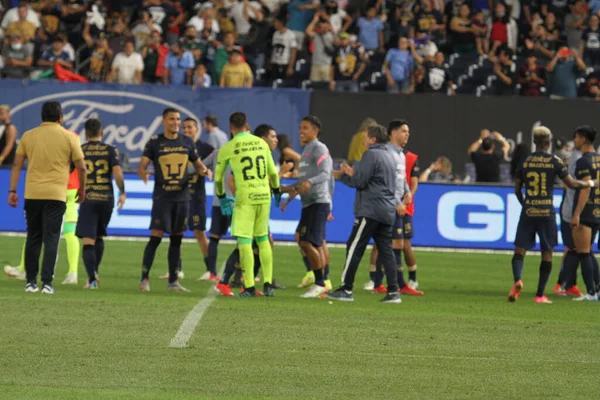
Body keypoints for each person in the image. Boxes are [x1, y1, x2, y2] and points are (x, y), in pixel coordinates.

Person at [7, 101, 86, 294]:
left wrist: (12, 190)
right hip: (56, 195)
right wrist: (82, 190)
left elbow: (17, 165)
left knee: (33, 237)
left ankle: (30, 282)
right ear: (61, 117)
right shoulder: (70, 137)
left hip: (33, 194)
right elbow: (82, 167)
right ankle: (47, 284)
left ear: (42, 116)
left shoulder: (28, 136)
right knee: (51, 238)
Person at [510, 126, 593, 304]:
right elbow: (572, 184)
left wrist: (525, 203)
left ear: (534, 142)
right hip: (546, 212)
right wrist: (590, 183)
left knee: (520, 250)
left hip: (528, 210)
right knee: (547, 252)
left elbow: (517, 189)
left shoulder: (525, 161)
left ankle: (518, 279)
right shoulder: (554, 161)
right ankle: (540, 295)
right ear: (548, 143)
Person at [326, 125, 401, 304]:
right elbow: (374, 179)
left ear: (373, 139)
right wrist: (354, 172)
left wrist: (344, 175)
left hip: (371, 210)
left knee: (354, 246)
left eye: (367, 137)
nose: (364, 140)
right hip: (387, 210)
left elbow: (360, 181)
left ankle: (346, 288)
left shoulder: (371, 154)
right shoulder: (390, 156)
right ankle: (393, 292)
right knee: (386, 251)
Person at [137, 108, 209, 292]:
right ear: (163, 121)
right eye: (172, 119)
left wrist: (205, 171)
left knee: (177, 240)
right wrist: (143, 173)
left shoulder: (186, 142)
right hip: (162, 198)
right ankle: (144, 279)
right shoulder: (155, 142)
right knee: (156, 238)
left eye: (177, 119)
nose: (176, 122)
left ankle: (173, 281)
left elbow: (197, 163)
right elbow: (142, 166)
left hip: (183, 199)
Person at [214, 112, 281, 297]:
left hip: (246, 198)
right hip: (264, 195)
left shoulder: (228, 147)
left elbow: (219, 178)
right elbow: (273, 174)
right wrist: (276, 191)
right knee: (263, 240)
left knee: (244, 242)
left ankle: (249, 287)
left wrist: (221, 196)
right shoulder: (261, 143)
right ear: (247, 125)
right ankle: (268, 285)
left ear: (230, 127)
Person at [368, 120, 422, 296]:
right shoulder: (387, 153)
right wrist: (396, 202)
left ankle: (391, 284)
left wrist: (407, 193)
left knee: (394, 243)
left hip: (398, 203)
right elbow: (385, 182)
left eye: (408, 131)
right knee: (388, 243)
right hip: (388, 204)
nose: (407, 134)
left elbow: (401, 180)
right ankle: (387, 283)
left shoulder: (400, 155)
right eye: (404, 131)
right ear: (393, 133)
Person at [281, 116, 333, 298]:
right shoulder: (306, 151)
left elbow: (327, 174)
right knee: (311, 242)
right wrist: (289, 196)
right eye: (300, 127)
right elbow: (303, 181)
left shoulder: (319, 148)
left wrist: (311, 183)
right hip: (309, 203)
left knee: (307, 241)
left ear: (315, 130)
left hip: (318, 202)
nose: (300, 131)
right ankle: (323, 281)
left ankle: (320, 282)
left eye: (305, 128)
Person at [159, 118, 214, 280]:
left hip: (196, 197)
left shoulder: (206, 148)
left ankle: (211, 270)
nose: (186, 130)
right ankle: (176, 269)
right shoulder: (180, 145)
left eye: (190, 127)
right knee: (176, 233)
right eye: (184, 127)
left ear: (197, 129)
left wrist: (206, 171)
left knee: (199, 232)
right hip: (178, 196)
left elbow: (213, 165)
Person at [76, 118, 126, 289]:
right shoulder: (110, 150)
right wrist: (123, 192)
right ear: (101, 132)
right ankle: (94, 273)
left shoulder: (80, 150)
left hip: (88, 198)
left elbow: (69, 171)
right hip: (106, 199)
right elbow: (118, 173)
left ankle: (92, 280)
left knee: (88, 240)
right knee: (99, 235)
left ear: (85, 133)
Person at [567, 125, 600, 301]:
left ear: (584, 139)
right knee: (589, 252)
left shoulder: (583, 161)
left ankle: (591, 293)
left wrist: (576, 214)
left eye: (577, 137)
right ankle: (597, 291)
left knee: (584, 253)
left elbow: (585, 189)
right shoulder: (599, 159)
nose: (575, 141)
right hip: (597, 210)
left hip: (586, 212)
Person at [200, 114, 231, 281]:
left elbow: (205, 161)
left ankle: (212, 272)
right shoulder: (224, 137)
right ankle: (246, 273)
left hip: (221, 199)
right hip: (235, 200)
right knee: (243, 238)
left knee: (214, 237)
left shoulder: (213, 139)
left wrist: (205, 169)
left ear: (207, 123)